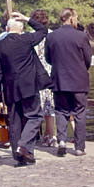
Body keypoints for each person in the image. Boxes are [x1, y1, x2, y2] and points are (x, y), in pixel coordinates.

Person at [0, 11, 52, 166]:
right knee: (35, 117)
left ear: (7, 29)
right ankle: (24, 146)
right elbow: (43, 30)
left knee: (15, 123)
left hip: (10, 89)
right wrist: (26, 18)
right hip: (29, 86)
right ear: (21, 29)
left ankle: (21, 156)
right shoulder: (26, 39)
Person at [46, 7, 92, 157]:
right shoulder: (81, 36)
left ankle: (62, 141)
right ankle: (79, 147)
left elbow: (48, 58)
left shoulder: (51, 36)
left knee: (61, 111)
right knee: (80, 113)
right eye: (76, 18)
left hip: (59, 80)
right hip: (78, 81)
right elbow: (88, 59)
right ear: (71, 18)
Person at [30, 9, 57, 147]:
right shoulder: (53, 35)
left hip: (36, 72)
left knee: (37, 106)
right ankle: (51, 135)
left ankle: (36, 135)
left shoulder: (30, 36)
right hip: (50, 72)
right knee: (50, 106)